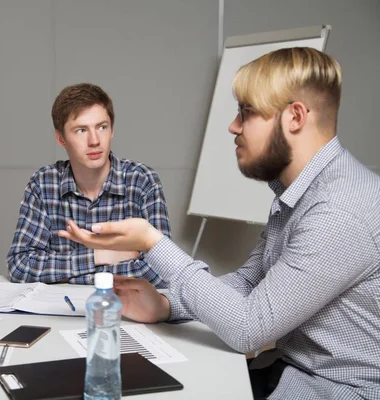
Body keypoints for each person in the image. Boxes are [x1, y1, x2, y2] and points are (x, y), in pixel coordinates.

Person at [58, 48, 380, 400]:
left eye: (246, 111)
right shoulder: (300, 193)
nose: (233, 126)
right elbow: (248, 283)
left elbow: (248, 327)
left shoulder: (337, 211)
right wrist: (166, 306)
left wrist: (152, 243)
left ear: (295, 117)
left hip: (330, 391)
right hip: (288, 372)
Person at [7, 83, 171, 288]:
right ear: (61, 138)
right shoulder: (43, 183)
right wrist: (99, 255)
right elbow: (20, 265)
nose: (94, 140)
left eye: (102, 127)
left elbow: (163, 269)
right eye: (81, 130)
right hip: (60, 312)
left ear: (112, 130)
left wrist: (68, 273)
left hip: (125, 313)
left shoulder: (142, 181)